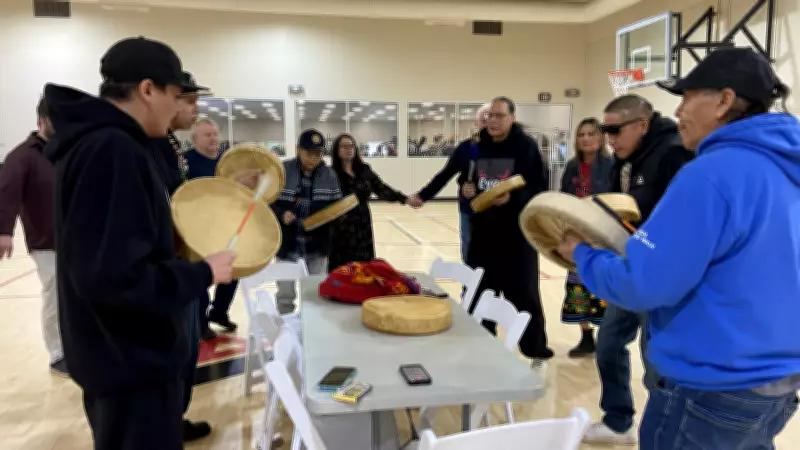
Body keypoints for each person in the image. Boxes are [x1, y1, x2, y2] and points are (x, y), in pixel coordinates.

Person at [557, 47, 800, 450]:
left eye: (688, 97)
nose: (679, 110)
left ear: (723, 101)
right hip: (776, 387)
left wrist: (584, 254)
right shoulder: (786, 169)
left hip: (711, 388)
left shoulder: (710, 174)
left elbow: (642, 284)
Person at [44, 37, 235, 450]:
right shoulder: (112, 150)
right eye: (175, 94)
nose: (178, 107)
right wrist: (203, 272)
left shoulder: (106, 143)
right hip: (130, 361)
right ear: (147, 90)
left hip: (119, 357)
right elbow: (115, 277)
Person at [579, 94, 693, 445]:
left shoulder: (674, 153)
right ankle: (618, 421)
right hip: (631, 271)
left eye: (615, 130)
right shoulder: (623, 160)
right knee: (609, 344)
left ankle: (662, 434)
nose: (608, 139)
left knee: (654, 364)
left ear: (642, 125)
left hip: (661, 279)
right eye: (604, 130)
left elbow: (681, 222)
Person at [150, 71, 216, 442]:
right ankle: (165, 423)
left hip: (183, 270)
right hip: (167, 275)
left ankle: (175, 418)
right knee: (173, 354)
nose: (194, 108)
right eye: (187, 99)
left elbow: (184, 198)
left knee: (185, 352)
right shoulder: (140, 148)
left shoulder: (166, 144)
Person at [465, 96, 552, 372]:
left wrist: (512, 200)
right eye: (490, 115)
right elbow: (467, 178)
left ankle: (537, 352)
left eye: (499, 115)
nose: (493, 120)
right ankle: (482, 347)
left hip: (517, 237)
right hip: (483, 235)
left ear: (512, 118)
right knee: (479, 292)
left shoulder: (526, 147)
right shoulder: (476, 146)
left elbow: (538, 186)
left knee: (524, 296)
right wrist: (465, 190)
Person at [0, 97, 66, 376]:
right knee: (54, 294)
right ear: (41, 122)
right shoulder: (22, 156)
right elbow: (7, 192)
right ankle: (57, 353)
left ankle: (78, 346)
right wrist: (3, 231)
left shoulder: (67, 151)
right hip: (45, 242)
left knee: (76, 297)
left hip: (75, 240)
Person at [183, 118, 258, 340]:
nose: (214, 139)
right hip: (197, 230)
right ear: (195, 139)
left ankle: (219, 312)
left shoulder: (227, 162)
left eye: (216, 134)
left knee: (232, 271)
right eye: (208, 135)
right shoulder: (185, 164)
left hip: (225, 227)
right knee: (201, 275)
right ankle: (200, 321)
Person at [559, 117, 613, 358]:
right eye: (581, 134)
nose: (586, 139)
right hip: (578, 236)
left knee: (604, 287)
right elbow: (563, 198)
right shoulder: (572, 166)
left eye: (591, 134)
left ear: (601, 138)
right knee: (578, 287)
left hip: (604, 236)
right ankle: (586, 337)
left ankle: (608, 339)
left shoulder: (613, 165)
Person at [408, 103, 490, 263]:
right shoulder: (466, 148)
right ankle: (470, 288)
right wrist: (422, 196)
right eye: (484, 119)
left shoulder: (508, 149)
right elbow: (445, 175)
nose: (488, 122)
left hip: (500, 213)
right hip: (470, 210)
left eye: (493, 117)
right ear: (477, 123)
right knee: (470, 254)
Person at [271, 129, 342, 314]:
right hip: (288, 244)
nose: (314, 158)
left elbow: (337, 206)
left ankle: (312, 334)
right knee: (285, 294)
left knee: (316, 295)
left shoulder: (330, 175)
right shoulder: (282, 170)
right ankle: (285, 333)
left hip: (317, 245)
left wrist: (331, 217)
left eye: (318, 153)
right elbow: (268, 203)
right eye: (309, 153)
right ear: (297, 149)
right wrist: (282, 213)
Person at [328, 133, 408, 272]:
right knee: (343, 270)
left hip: (362, 224)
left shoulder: (364, 169)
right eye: (344, 146)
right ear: (337, 150)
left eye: (351, 145)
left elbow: (381, 188)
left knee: (363, 269)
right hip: (341, 227)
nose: (349, 149)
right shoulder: (331, 173)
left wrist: (404, 198)